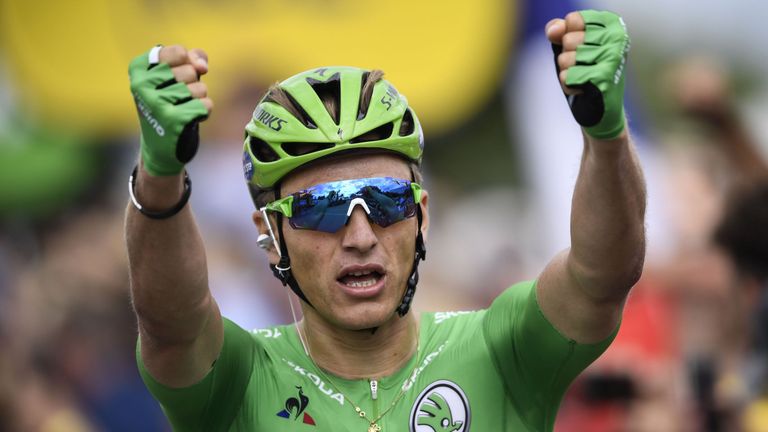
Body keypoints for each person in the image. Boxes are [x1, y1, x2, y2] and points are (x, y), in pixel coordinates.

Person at [125, 10, 645, 431]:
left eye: (386, 201)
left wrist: (605, 134)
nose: (359, 236)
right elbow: (171, 322)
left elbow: (602, 275)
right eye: (320, 208)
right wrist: (159, 172)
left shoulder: (502, 348)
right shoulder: (237, 380)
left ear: (421, 215)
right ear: (269, 236)